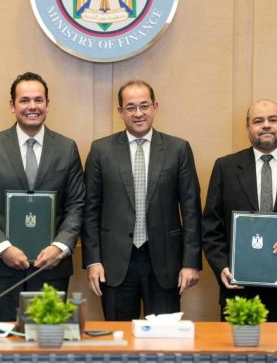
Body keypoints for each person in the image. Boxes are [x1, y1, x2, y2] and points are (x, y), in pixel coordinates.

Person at [82, 80, 201, 320]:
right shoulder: (101, 150)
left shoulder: (178, 149)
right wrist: (93, 261)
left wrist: (191, 262)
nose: (138, 113)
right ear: (120, 111)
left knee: (163, 337)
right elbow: (89, 211)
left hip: (165, 263)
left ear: (155, 107)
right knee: (120, 336)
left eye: (144, 106)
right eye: (131, 107)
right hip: (115, 264)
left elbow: (191, 210)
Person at [0, 72, 85, 321]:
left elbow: (76, 204)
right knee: (3, 338)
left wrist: (60, 247)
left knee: (47, 338)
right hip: (1, 267)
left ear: (47, 104)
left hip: (51, 266)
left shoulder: (66, 148)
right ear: (12, 105)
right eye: (24, 100)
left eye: (38, 100)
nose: (32, 106)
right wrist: (3, 248)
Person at [202, 99, 277, 321]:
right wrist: (222, 267)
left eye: (273, 119)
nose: (266, 125)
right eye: (258, 121)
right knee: (238, 346)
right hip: (239, 290)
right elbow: (210, 227)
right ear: (248, 127)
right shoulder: (225, 167)